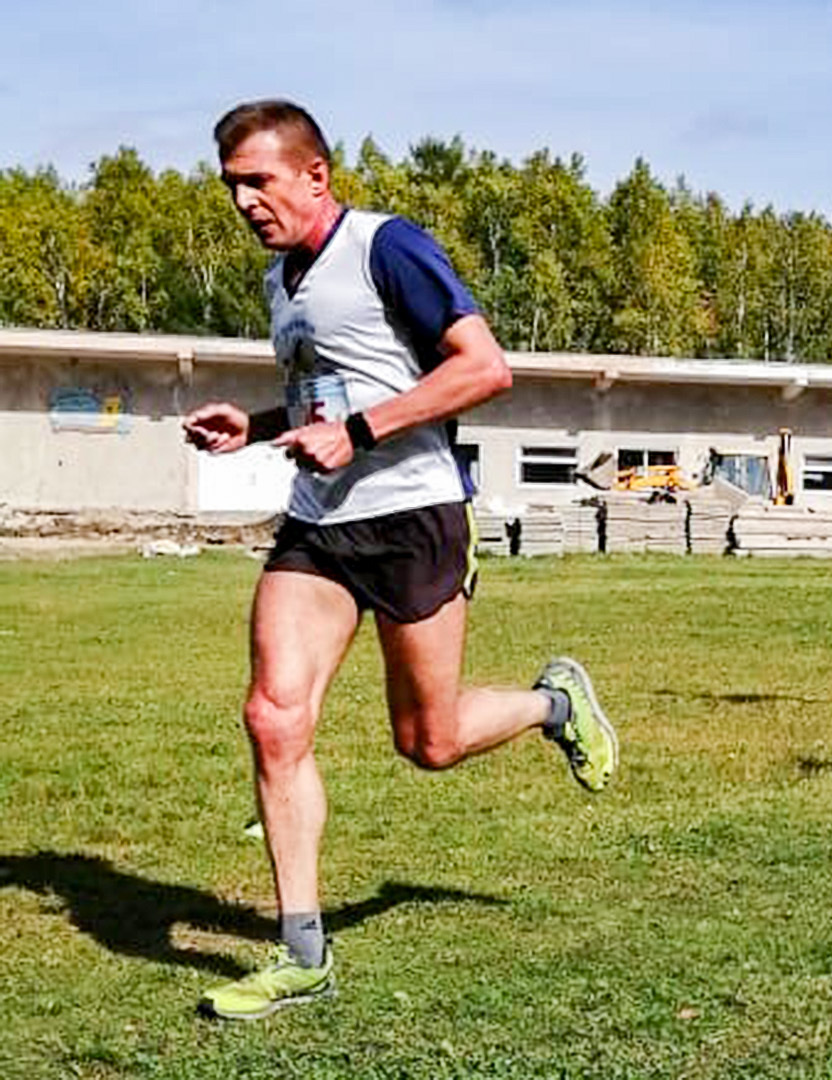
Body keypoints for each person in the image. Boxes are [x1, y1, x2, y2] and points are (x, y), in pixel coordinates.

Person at [182, 100, 618, 1020]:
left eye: (258, 181)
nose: (244, 202)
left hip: (413, 518)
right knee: (273, 716)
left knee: (431, 741)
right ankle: (302, 952)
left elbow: (484, 368)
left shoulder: (387, 247)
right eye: (231, 187)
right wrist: (258, 426)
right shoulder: (281, 280)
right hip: (319, 528)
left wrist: (366, 430)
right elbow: (330, 398)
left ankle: (554, 703)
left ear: (314, 175)